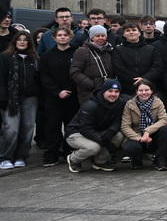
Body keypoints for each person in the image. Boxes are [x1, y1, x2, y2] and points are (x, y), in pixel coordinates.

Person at [65, 78, 127, 172]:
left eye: (116, 91)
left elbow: (118, 120)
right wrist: (103, 140)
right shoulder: (90, 105)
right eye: (110, 91)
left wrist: (111, 130)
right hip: (76, 133)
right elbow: (85, 128)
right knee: (93, 147)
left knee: (118, 136)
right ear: (103, 91)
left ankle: (100, 161)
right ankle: (73, 159)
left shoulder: (120, 103)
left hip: (98, 130)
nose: (113, 94)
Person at [39, 25, 79, 167]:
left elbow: (78, 73)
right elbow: (44, 76)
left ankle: (69, 152)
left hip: (72, 96)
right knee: (53, 126)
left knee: (71, 126)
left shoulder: (77, 53)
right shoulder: (47, 56)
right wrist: (57, 92)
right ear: (54, 38)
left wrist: (69, 90)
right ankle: (52, 154)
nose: (62, 37)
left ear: (70, 37)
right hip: (53, 97)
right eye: (60, 35)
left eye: (65, 35)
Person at [0, 31, 39, 169]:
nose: (22, 42)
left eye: (25, 40)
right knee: (11, 128)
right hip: (11, 99)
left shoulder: (34, 59)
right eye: (19, 39)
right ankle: (5, 157)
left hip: (30, 98)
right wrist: (3, 97)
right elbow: (1, 78)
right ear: (14, 41)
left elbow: (38, 79)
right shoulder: (5, 57)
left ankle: (21, 156)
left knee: (27, 128)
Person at [119, 79, 167, 170]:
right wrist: (139, 138)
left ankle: (160, 161)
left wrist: (147, 131)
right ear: (136, 92)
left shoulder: (158, 102)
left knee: (165, 130)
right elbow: (125, 126)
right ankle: (136, 160)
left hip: (152, 135)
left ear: (151, 91)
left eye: (147, 90)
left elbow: (164, 120)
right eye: (141, 90)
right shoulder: (129, 105)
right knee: (131, 147)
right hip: (136, 135)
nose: (144, 93)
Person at [70, 25, 115, 97]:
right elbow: (75, 72)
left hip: (108, 90)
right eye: (97, 36)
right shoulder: (82, 51)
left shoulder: (110, 50)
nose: (100, 38)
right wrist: (92, 84)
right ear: (91, 37)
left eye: (103, 35)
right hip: (89, 92)